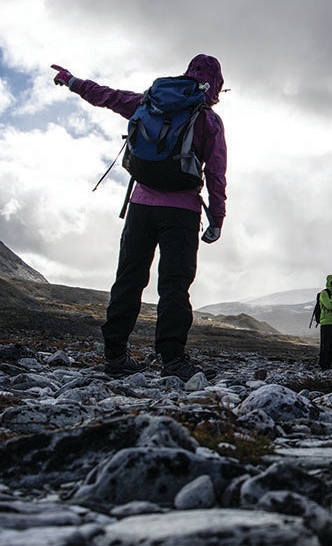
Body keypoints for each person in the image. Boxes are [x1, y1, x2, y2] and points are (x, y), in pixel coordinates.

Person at [50, 55, 227, 381]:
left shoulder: (150, 103)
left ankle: (115, 356)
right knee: (174, 286)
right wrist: (217, 219)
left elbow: (108, 96)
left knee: (129, 279)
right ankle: (173, 360)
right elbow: (216, 174)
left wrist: (73, 81)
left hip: (140, 206)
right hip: (182, 212)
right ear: (216, 84)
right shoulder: (208, 121)